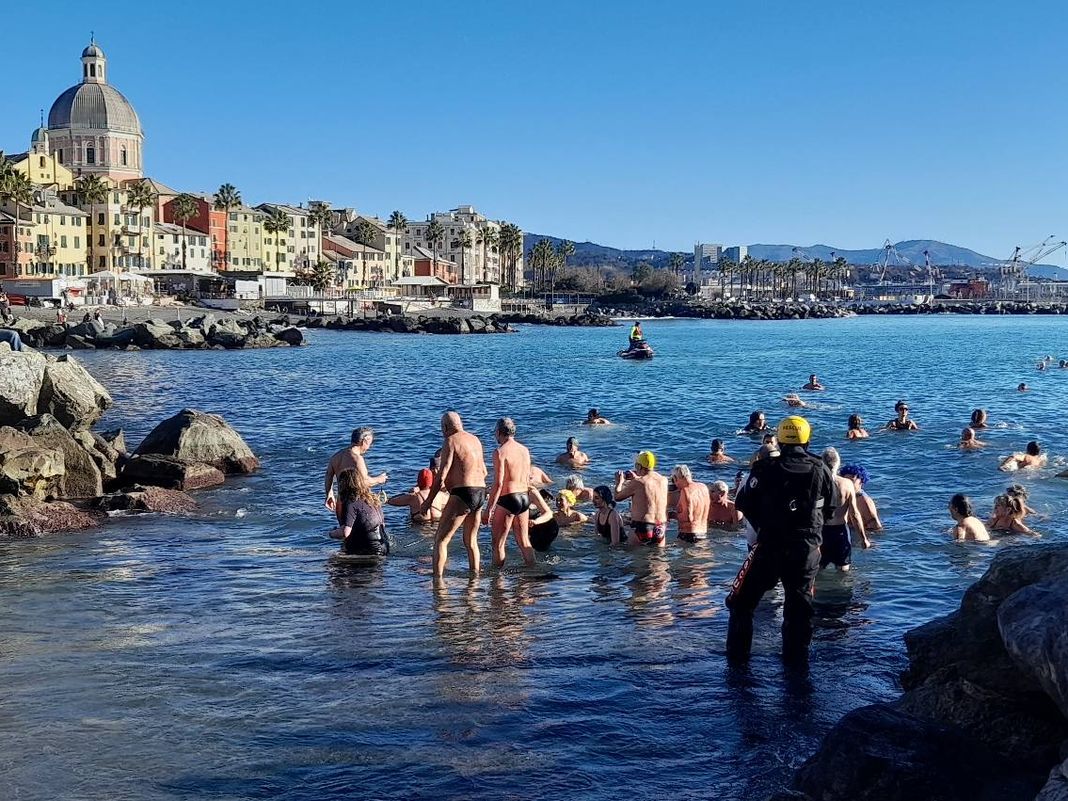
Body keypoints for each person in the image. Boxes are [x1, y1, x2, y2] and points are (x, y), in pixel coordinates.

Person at [727, 415, 837, 665]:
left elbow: (743, 503)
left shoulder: (765, 469)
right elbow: (831, 509)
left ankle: (737, 668)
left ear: (781, 439)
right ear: (807, 439)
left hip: (770, 546)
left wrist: (765, 526)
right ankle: (797, 668)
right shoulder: (821, 469)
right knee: (799, 613)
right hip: (806, 550)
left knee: (740, 604)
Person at [422, 412, 488, 577]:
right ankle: (475, 578)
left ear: (445, 427)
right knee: (471, 541)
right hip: (481, 491)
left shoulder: (450, 440)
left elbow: (441, 475)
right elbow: (485, 471)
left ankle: (437, 582)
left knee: (441, 540)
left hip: (463, 492)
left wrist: (428, 502)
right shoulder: (475, 440)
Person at [483, 417, 536, 569]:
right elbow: (527, 477)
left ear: (499, 432)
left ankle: (496, 579)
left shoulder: (500, 452)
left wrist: (489, 509)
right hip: (524, 497)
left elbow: (499, 483)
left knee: (498, 543)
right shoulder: (524, 450)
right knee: (524, 541)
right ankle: (533, 572)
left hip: (508, 498)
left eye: (495, 433)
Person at [819, 447, 870, 570]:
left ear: (822, 463)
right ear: (838, 464)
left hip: (821, 531)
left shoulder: (816, 483)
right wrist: (863, 539)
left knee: (817, 569)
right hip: (840, 532)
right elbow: (855, 514)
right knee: (844, 571)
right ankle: (843, 590)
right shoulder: (847, 484)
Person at [324, 427, 388, 522]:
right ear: (364, 441)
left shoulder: (336, 456)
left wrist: (329, 494)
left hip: (341, 503)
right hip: (356, 504)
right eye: (370, 443)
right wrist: (380, 479)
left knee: (346, 532)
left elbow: (329, 475)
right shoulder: (357, 459)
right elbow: (365, 482)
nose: (369, 447)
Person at [328, 469, 390, 556]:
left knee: (331, 564)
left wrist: (331, 533)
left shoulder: (351, 502)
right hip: (384, 547)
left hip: (368, 551)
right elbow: (382, 525)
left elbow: (345, 532)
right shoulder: (372, 499)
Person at [614, 450, 669, 547]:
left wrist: (619, 482)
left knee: (637, 559)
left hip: (642, 526)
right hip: (660, 527)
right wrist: (636, 478)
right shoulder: (664, 480)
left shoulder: (638, 483)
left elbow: (617, 497)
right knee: (659, 559)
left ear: (639, 466)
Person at [839, 464, 883, 532]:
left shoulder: (864, 501)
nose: (848, 484)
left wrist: (864, 540)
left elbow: (876, 528)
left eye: (852, 481)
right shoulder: (844, 496)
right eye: (846, 481)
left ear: (861, 481)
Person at [671, 465, 710, 543]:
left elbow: (688, 518)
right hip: (703, 533)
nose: (674, 484)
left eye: (673, 480)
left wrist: (671, 515)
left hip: (689, 534)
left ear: (675, 478)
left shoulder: (685, 491)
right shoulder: (703, 487)